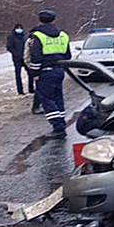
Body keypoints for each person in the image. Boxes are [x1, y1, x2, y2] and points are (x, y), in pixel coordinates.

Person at [28, 10, 71, 139]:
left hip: (45, 72)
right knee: (58, 97)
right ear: (54, 20)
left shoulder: (37, 35)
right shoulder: (63, 35)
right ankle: (61, 123)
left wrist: (34, 73)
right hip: (59, 70)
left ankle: (58, 127)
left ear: (40, 20)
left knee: (47, 99)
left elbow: (35, 57)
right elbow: (68, 55)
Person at [6, 24, 34, 95]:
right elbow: (9, 47)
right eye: (18, 28)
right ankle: (20, 90)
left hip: (25, 58)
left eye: (20, 28)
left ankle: (31, 88)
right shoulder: (11, 37)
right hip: (17, 58)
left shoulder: (25, 37)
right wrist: (16, 54)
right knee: (18, 74)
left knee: (30, 73)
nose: (19, 29)